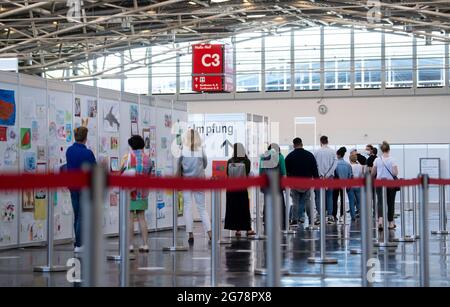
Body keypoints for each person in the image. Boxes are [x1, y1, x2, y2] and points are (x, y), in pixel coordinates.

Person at [177, 129, 211, 244]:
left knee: (187, 207)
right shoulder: (201, 151)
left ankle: (190, 234)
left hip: (187, 181)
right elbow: (205, 164)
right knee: (202, 208)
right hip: (199, 181)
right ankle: (210, 233)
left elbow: (179, 166)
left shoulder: (183, 151)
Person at [66, 126, 96, 253]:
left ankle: (78, 242)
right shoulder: (88, 153)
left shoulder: (69, 150)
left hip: (72, 186)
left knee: (77, 215)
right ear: (85, 138)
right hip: (84, 188)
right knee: (82, 216)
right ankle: (79, 244)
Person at [121, 135, 152, 253]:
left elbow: (123, 172)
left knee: (130, 219)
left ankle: (130, 245)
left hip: (130, 192)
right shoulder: (148, 159)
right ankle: (145, 244)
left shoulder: (128, 157)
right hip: (143, 192)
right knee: (141, 218)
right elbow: (149, 174)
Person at [285, 138, 319, 225]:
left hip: (294, 183)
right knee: (308, 201)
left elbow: (286, 171)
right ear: (302, 144)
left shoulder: (289, 156)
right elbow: (314, 169)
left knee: (295, 202)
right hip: (307, 182)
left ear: (294, 145)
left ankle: (294, 220)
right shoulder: (309, 155)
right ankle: (311, 220)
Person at [225, 143, 255, 237]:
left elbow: (227, 173)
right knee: (244, 208)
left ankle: (237, 230)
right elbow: (247, 172)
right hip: (242, 188)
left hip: (231, 188)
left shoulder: (230, 161)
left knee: (233, 208)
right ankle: (248, 229)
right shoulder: (246, 161)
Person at [371, 141, 399, 230]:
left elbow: (373, 173)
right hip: (390, 183)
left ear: (381, 150)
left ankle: (380, 221)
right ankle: (390, 223)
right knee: (390, 203)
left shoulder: (377, 160)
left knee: (380, 202)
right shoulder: (392, 160)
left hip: (379, 183)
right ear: (389, 149)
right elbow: (395, 173)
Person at [259, 143, 287, 228]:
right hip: (277, 183)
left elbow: (261, 171)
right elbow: (283, 172)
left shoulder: (263, 157)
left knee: (267, 202)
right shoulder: (280, 156)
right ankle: (281, 222)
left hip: (267, 183)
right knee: (280, 202)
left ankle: (266, 221)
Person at [314, 135, 336, 224]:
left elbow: (315, 165)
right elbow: (334, 165)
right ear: (327, 141)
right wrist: (327, 175)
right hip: (330, 177)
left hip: (319, 177)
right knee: (330, 197)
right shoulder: (332, 151)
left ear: (320, 142)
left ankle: (319, 216)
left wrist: (321, 175)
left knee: (318, 197)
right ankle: (330, 217)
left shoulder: (316, 152)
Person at [333, 147, 357, 221]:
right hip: (345, 184)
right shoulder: (348, 165)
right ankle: (342, 215)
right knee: (343, 200)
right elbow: (351, 176)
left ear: (338, 155)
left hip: (336, 184)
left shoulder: (335, 164)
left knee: (335, 200)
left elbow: (333, 174)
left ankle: (334, 216)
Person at [349, 153, 364, 218]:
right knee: (359, 201)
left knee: (351, 201)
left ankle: (353, 216)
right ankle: (360, 214)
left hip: (351, 185)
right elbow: (361, 176)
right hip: (358, 184)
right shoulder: (360, 166)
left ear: (350, 159)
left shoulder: (349, 166)